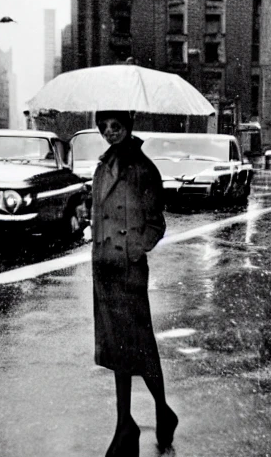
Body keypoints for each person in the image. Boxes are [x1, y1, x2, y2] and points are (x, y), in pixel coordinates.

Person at [91, 110, 178, 456]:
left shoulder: (143, 169)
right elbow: (102, 208)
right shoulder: (102, 165)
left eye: (116, 127)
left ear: (128, 128)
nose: (110, 133)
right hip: (103, 268)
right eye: (104, 127)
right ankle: (124, 423)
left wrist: (134, 249)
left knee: (139, 347)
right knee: (116, 349)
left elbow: (156, 224)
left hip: (127, 271)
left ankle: (160, 411)